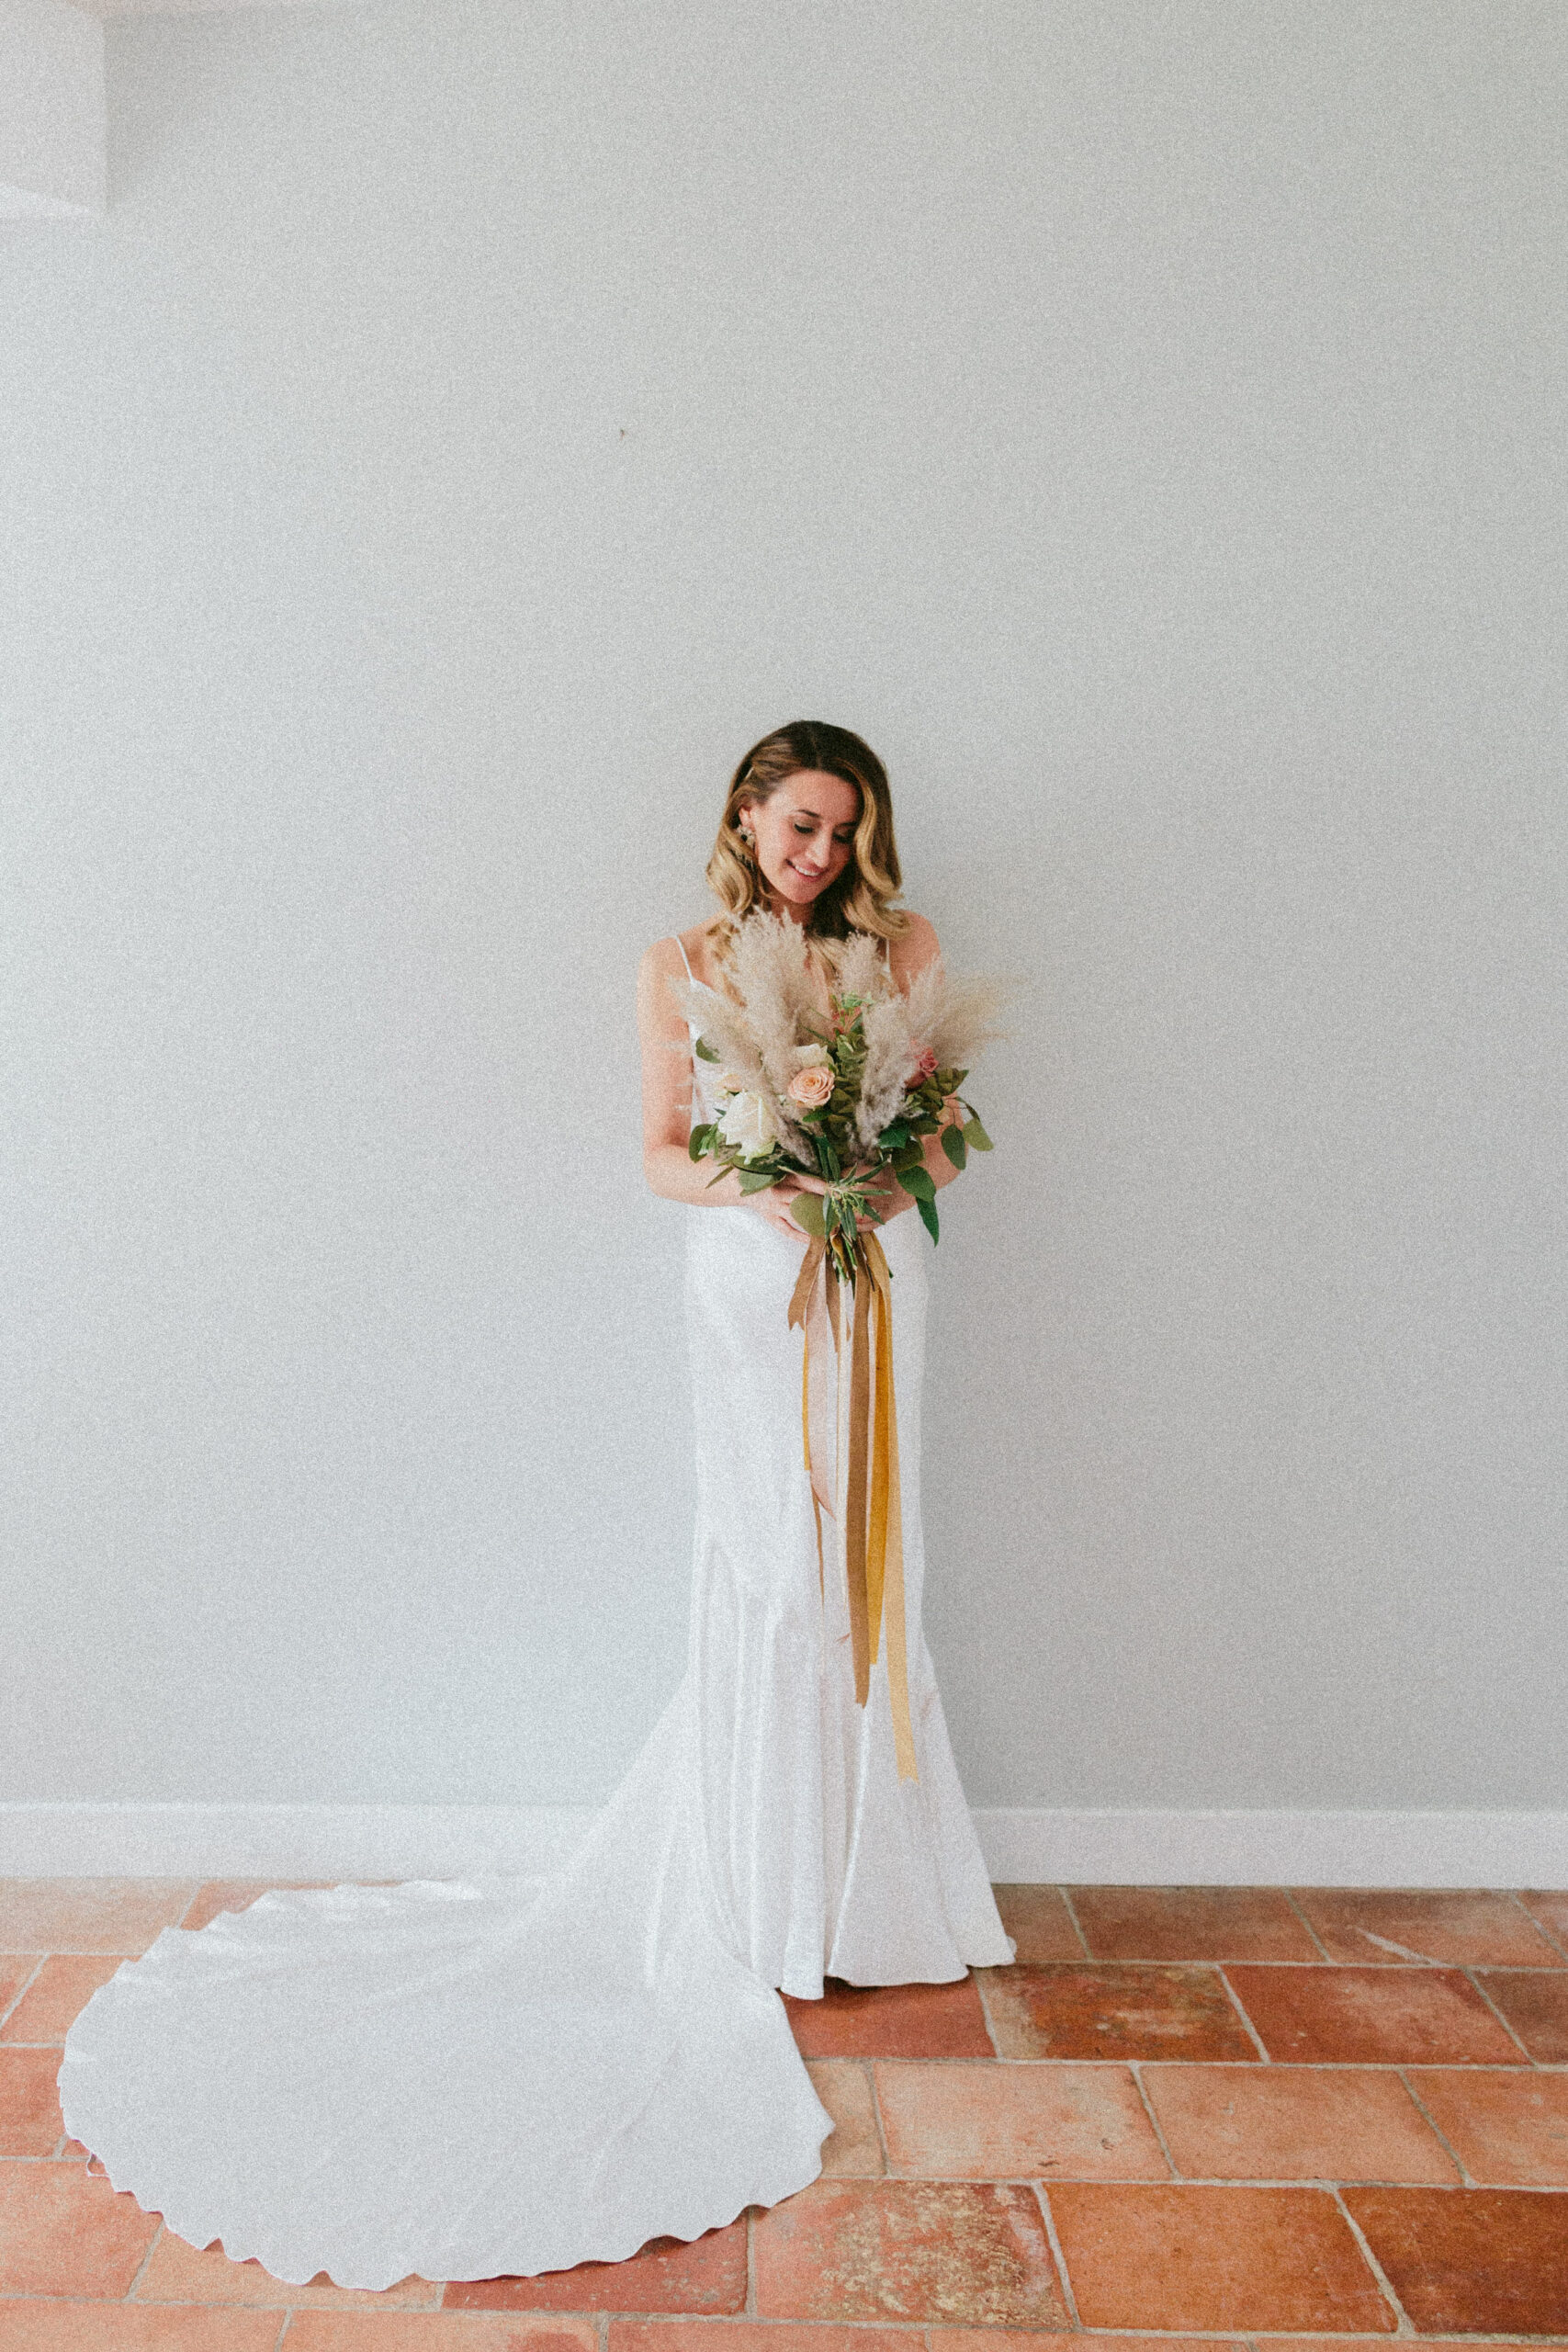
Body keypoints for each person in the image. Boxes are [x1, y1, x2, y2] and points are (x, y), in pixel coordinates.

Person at [59, 718, 1014, 2294]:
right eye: (795, 825)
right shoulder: (680, 959)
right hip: (751, 1277)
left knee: (869, 1566)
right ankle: (757, 1897)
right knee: (772, 1572)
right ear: (746, 817)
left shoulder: (903, 945)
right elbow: (658, 1155)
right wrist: (781, 1183)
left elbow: (935, 1142)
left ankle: (878, 1901)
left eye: (842, 830)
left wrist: (876, 1186)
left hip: (877, 1274)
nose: (817, 854)